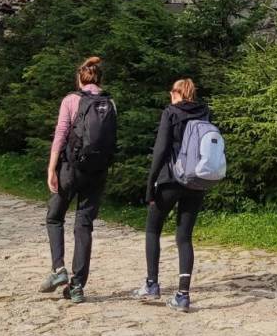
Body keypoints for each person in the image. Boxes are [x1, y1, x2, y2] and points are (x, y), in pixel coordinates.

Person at [42, 57, 118, 303]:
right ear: (100, 79)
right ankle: (77, 287)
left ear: (79, 78)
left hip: (71, 169)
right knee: (84, 225)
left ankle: (59, 269)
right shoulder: (110, 103)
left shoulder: (71, 100)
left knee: (54, 217)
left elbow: (61, 134)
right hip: (97, 171)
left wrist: (52, 168)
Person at [135, 78, 213, 313]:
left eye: (171, 92)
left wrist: (150, 184)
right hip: (196, 180)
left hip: (170, 179)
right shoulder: (204, 113)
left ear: (177, 93)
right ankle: (183, 295)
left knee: (153, 229)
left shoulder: (170, 112)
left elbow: (160, 150)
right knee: (184, 237)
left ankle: (152, 284)